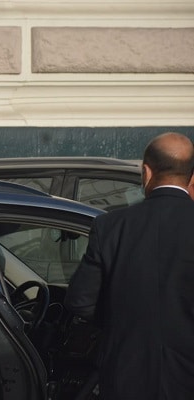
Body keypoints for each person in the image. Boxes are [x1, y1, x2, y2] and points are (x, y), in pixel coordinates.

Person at [65, 132, 194, 400]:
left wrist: (121, 320)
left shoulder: (110, 225)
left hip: (125, 374)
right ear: (191, 178)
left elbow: (80, 301)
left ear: (146, 172)